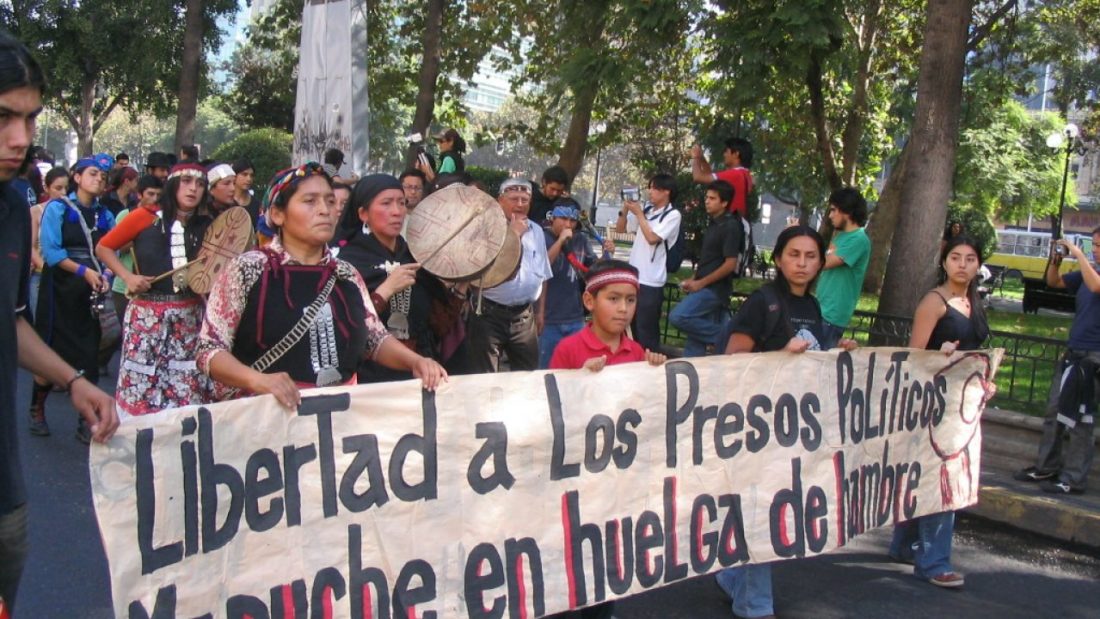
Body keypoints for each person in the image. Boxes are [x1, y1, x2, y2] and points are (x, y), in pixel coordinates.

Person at [0, 32, 118, 612]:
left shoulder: (11, 211)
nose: (21, 139)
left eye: (30, 118)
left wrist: (74, 381)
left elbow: (10, 322)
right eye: (3, 115)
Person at [195, 163, 446, 406]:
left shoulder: (346, 274)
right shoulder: (247, 269)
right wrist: (258, 380)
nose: (326, 210)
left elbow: (374, 338)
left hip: (336, 420)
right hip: (265, 421)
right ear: (278, 214)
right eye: (310, 201)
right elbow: (209, 350)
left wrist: (415, 362)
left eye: (329, 201)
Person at [717, 225, 857, 619]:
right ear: (778, 259)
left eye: (811, 256)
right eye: (794, 254)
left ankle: (732, 579)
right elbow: (732, 361)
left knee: (772, 512)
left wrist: (838, 352)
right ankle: (755, 605)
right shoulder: (762, 302)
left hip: (792, 429)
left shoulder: (812, 308)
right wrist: (780, 353)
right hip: (754, 426)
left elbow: (810, 363)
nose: (802, 263)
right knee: (764, 513)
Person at [543, 261, 667, 619]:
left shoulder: (637, 353)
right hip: (575, 477)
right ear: (589, 300)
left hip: (616, 482)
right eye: (613, 298)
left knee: (606, 558)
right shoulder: (568, 349)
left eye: (630, 300)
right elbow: (547, 405)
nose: (623, 308)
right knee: (568, 554)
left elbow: (647, 413)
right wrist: (578, 380)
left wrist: (653, 372)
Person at [887, 234, 990, 588]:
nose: (963, 264)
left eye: (970, 258)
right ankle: (934, 561)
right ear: (944, 263)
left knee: (931, 475)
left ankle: (903, 545)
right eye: (956, 257)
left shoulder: (973, 302)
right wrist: (938, 355)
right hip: (931, 401)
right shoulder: (935, 301)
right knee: (946, 479)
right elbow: (914, 356)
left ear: (979, 265)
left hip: (963, 402)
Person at [95, 163, 214, 416]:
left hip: (190, 318)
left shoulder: (208, 226)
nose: (193, 189)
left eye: (200, 184)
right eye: (186, 182)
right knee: (141, 387)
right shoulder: (143, 216)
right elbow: (104, 247)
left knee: (187, 389)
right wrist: (128, 277)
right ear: (172, 185)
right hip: (146, 317)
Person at [337, 174, 467, 381]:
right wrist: (385, 290)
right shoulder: (348, 263)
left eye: (402, 203)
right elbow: (345, 327)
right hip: (371, 379)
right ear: (363, 213)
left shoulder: (415, 258)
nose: (397, 212)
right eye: (386, 204)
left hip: (422, 372)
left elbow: (438, 326)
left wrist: (464, 280)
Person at [32, 153, 116, 441]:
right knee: (49, 350)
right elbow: (52, 253)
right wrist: (84, 271)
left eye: (103, 176)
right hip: (60, 290)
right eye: (93, 173)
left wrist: (105, 275)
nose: (99, 179)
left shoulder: (105, 215)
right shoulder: (58, 209)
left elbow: (111, 250)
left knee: (89, 354)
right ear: (77, 177)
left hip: (90, 293)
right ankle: (37, 409)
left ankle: (87, 420)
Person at [1014, 230, 1100, 495]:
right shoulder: (1088, 272)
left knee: (1081, 420)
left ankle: (1073, 479)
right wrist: (1056, 260)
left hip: (1093, 357)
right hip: (1074, 352)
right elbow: (1055, 282)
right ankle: (1047, 466)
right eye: (1094, 244)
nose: (1096, 250)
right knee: (1054, 412)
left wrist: (1078, 254)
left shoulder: (1092, 274)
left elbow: (1097, 286)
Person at [467, 177, 553, 372]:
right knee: (484, 375)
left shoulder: (537, 231)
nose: (520, 204)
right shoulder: (485, 228)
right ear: (500, 200)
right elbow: (477, 270)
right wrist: (512, 235)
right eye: (514, 198)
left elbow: (543, 273)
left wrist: (540, 312)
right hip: (489, 314)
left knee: (527, 374)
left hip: (524, 316)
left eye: (525, 199)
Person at [669, 180, 743, 357]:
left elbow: (730, 264)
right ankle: (690, 379)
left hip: (714, 290)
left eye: (712, 198)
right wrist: (694, 280)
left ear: (724, 202)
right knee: (695, 345)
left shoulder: (731, 226)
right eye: (706, 197)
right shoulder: (714, 223)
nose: (707, 201)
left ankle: (727, 338)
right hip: (704, 286)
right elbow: (709, 260)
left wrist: (701, 283)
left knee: (678, 316)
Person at [613, 173, 681, 353]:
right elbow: (621, 230)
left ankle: (649, 367)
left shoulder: (673, 215)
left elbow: (652, 238)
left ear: (666, 192)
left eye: (655, 188)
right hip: (633, 277)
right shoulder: (648, 211)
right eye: (649, 187)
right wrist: (625, 210)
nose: (650, 192)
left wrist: (639, 214)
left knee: (646, 331)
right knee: (628, 327)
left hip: (651, 281)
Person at [538, 199, 608, 368]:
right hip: (548, 319)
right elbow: (541, 268)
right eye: (563, 219)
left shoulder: (581, 240)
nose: (568, 224)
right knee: (546, 371)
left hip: (575, 318)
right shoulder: (541, 236)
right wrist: (560, 241)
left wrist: (606, 253)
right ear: (552, 218)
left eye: (573, 220)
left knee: (577, 368)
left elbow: (593, 271)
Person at [815, 187, 871, 350]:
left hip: (832, 314)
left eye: (833, 210)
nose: (830, 215)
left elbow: (823, 263)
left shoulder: (859, 239)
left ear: (847, 211)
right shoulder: (840, 236)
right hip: (822, 309)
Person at [106, 174, 163, 323]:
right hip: (123, 286)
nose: (155, 199)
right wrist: (142, 234)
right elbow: (115, 247)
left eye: (159, 195)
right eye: (150, 194)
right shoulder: (125, 215)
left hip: (150, 286)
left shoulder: (163, 218)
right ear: (139, 195)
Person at [29, 166, 70, 319]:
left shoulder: (73, 212)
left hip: (67, 276)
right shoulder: (36, 211)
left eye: (66, 187)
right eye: (58, 188)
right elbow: (31, 247)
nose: (63, 193)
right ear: (46, 188)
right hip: (41, 276)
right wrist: (46, 269)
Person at [691, 137, 754, 216]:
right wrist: (702, 159)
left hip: (729, 222)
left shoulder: (735, 174)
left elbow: (698, 177)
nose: (724, 155)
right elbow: (711, 180)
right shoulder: (745, 174)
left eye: (726, 151)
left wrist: (695, 157)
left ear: (736, 154)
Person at [232, 158, 261, 226]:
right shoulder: (225, 202)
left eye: (251, 175)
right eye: (244, 174)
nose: (249, 179)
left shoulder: (257, 205)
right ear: (234, 176)